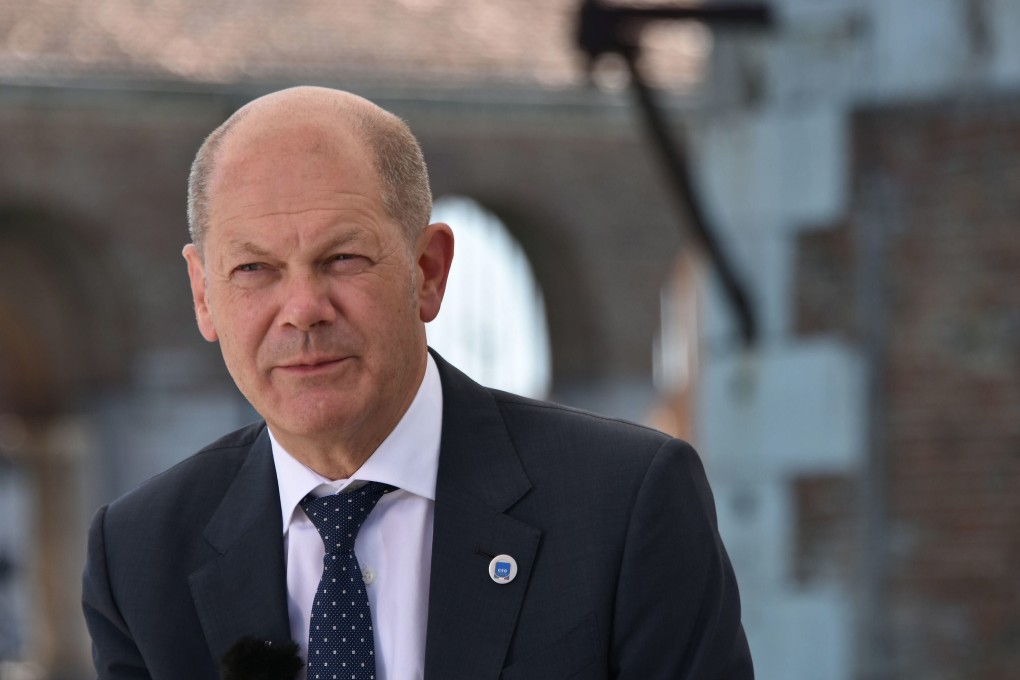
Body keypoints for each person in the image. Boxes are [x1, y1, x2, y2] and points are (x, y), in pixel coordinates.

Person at [82, 86, 753, 679]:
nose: (303, 308)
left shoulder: (624, 503)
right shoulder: (139, 555)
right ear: (204, 295)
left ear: (428, 271)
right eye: (255, 269)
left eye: (342, 258)